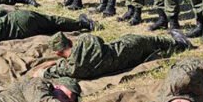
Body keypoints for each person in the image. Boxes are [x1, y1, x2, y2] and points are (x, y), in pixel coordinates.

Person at [42, 29, 190, 81]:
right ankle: (179, 43)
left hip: (123, 64)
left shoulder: (72, 69)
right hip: (123, 50)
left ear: (58, 52)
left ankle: (174, 45)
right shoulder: (84, 41)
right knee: (151, 41)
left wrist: (50, 68)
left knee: (148, 47)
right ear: (69, 41)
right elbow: (98, 40)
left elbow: (51, 72)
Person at [0, 8, 94, 45]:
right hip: (18, 20)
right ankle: (82, 24)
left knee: (49, 29)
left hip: (19, 35)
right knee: (52, 21)